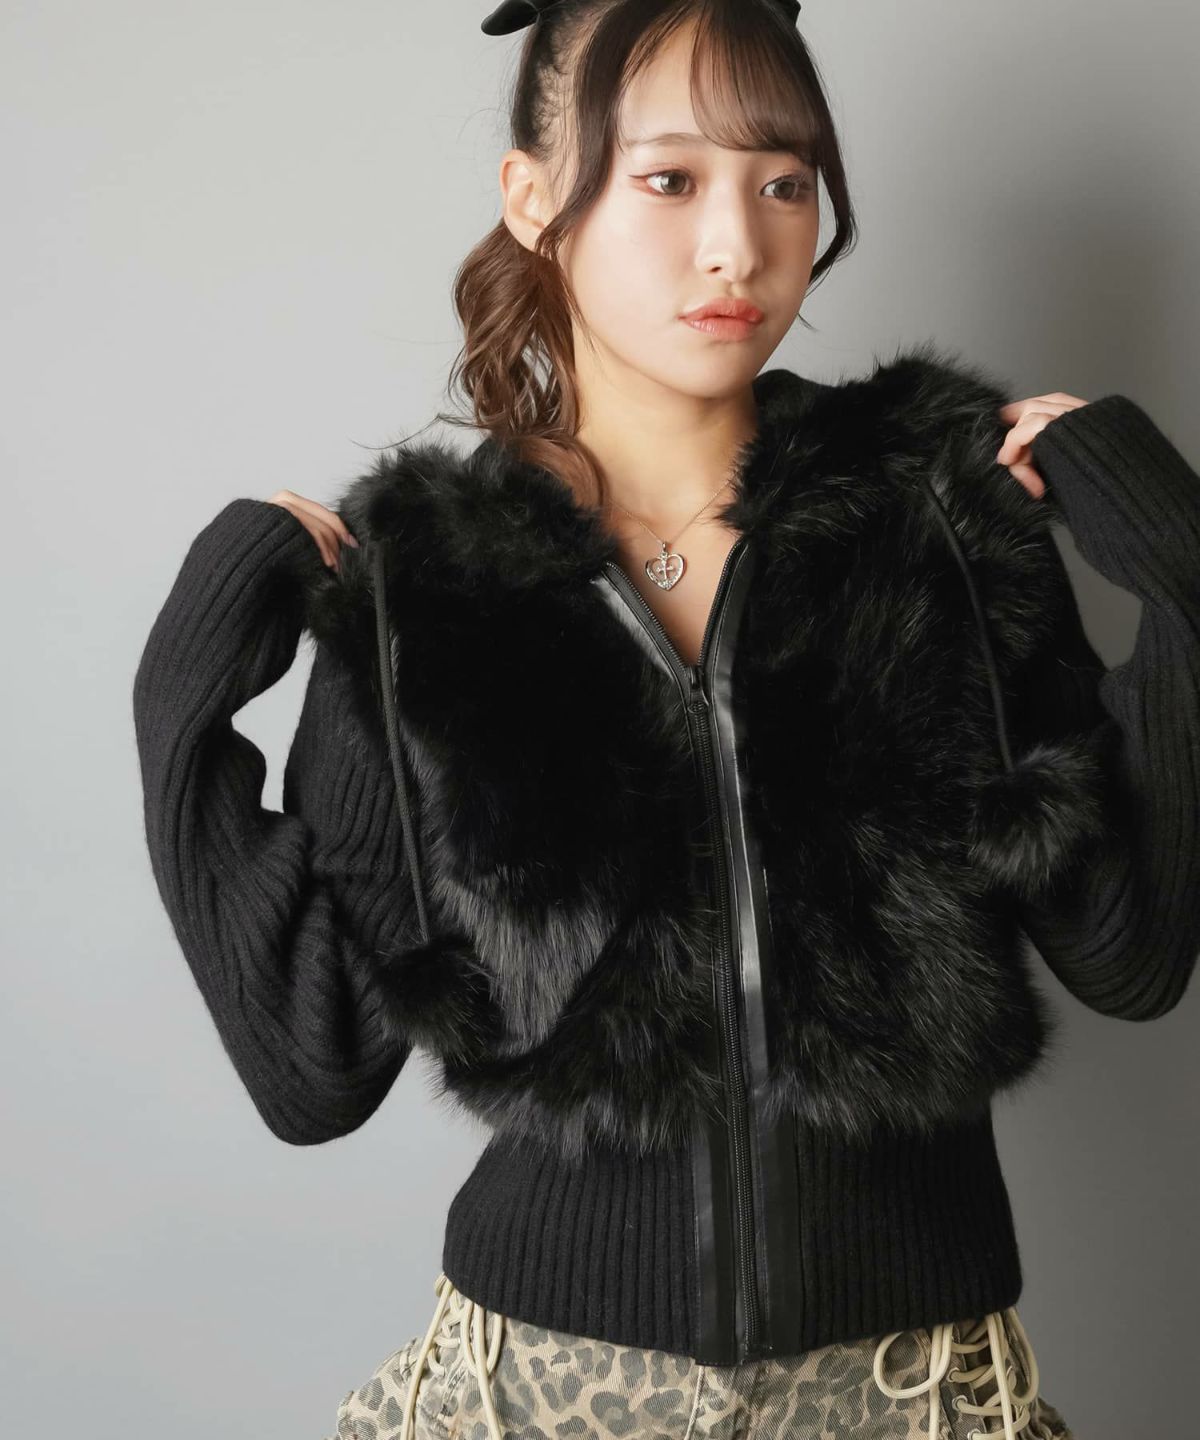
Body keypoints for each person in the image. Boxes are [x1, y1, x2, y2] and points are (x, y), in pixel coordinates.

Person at [131, 1, 1200, 1437]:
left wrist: (1184, 574)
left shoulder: (933, 523)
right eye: (670, 178)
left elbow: (1128, 953)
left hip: (905, 1393)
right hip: (541, 1393)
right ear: (534, 199)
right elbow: (311, 1067)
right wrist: (182, 700)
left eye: (784, 181)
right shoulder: (427, 588)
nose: (737, 245)